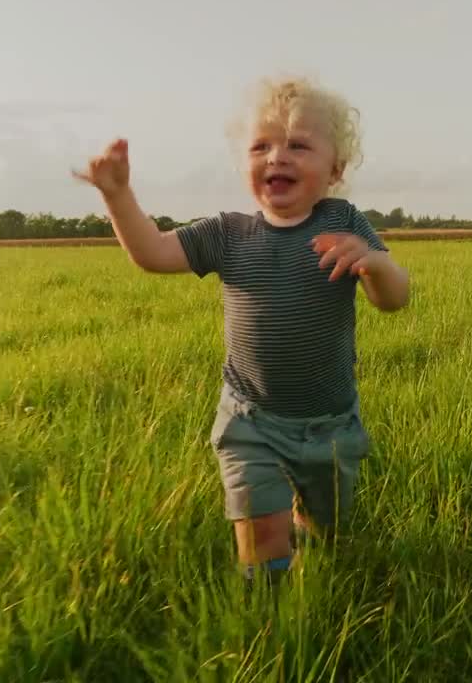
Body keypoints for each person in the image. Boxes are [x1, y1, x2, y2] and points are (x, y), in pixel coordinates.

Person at [73, 76, 411, 589]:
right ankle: (269, 614)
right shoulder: (228, 234)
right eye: (261, 146)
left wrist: (374, 265)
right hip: (251, 419)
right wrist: (118, 197)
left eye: (298, 145)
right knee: (262, 535)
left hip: (330, 423)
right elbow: (154, 253)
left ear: (335, 169)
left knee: (329, 527)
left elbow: (394, 298)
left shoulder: (344, 223)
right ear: (244, 164)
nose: (277, 156)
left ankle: (314, 535)